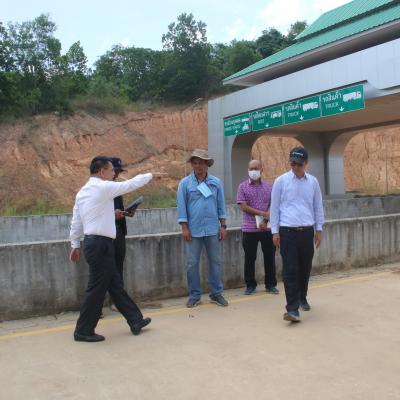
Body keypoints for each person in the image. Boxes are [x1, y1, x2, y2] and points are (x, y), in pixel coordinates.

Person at [69, 156, 152, 342]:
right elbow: (130, 184)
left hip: (94, 243)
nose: (114, 173)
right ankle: (83, 330)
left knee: (114, 284)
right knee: (96, 288)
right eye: (111, 170)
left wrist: (75, 244)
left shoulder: (83, 192)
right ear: (102, 172)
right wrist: (151, 175)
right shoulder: (103, 187)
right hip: (100, 245)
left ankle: (135, 320)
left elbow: (76, 221)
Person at [270, 147, 324, 322]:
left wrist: (319, 230)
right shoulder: (281, 181)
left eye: (299, 164)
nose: (295, 167)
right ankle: (292, 309)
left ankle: (302, 297)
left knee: (305, 267)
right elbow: (274, 208)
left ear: (306, 164)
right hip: (287, 232)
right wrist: (274, 231)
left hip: (307, 231)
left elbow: (318, 206)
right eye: (292, 163)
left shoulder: (313, 182)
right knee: (290, 269)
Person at [177, 149, 228, 308]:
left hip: (212, 229)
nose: (198, 166)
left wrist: (223, 226)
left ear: (207, 165)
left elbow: (221, 205)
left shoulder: (216, 182)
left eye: (201, 163)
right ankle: (194, 295)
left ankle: (216, 294)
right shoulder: (185, 183)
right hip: (193, 230)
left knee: (215, 262)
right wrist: (184, 228)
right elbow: (181, 207)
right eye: (195, 163)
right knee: (192, 264)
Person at [237, 159, 278, 295]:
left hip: (267, 227)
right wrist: (261, 213)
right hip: (249, 229)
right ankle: (250, 285)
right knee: (249, 258)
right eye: (251, 169)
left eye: (256, 168)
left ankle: (270, 284)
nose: (253, 171)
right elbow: (243, 206)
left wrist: (265, 220)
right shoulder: (242, 187)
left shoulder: (269, 187)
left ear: (262, 169)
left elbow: (273, 205)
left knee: (269, 256)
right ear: (248, 170)